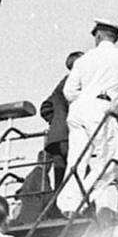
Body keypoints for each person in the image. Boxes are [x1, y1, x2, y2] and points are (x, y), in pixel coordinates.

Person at [58, 19, 118, 220]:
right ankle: (86, 198)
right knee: (110, 160)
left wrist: (84, 100)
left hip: (78, 110)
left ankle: (68, 204)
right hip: (101, 108)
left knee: (77, 159)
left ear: (98, 36)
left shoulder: (84, 60)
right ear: (115, 37)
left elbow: (69, 91)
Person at [39, 51, 83, 189]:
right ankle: (86, 208)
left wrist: (56, 122)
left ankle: (58, 208)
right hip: (69, 135)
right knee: (79, 172)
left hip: (56, 138)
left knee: (61, 178)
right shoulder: (77, 83)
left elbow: (45, 107)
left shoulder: (62, 83)